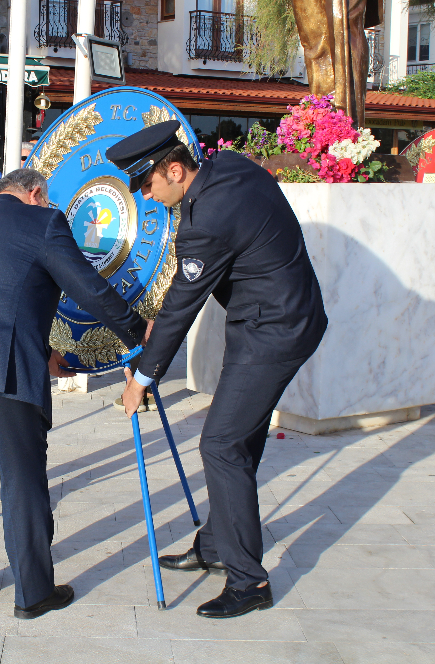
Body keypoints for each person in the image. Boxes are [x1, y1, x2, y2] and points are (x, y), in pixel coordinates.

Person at [0, 168, 148, 620]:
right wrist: (137, 329)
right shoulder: (43, 222)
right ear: (35, 194)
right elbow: (89, 289)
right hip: (1, 373)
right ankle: (34, 591)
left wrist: (45, 347)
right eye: (47, 199)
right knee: (22, 481)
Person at [109, 121, 327, 619]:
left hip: (275, 331)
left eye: (148, 184)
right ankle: (213, 545)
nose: (146, 197)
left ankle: (249, 582)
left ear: (176, 169)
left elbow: (181, 307)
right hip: (276, 318)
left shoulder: (205, 220)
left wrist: (142, 378)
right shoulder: (228, 166)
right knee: (238, 440)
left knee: (221, 444)